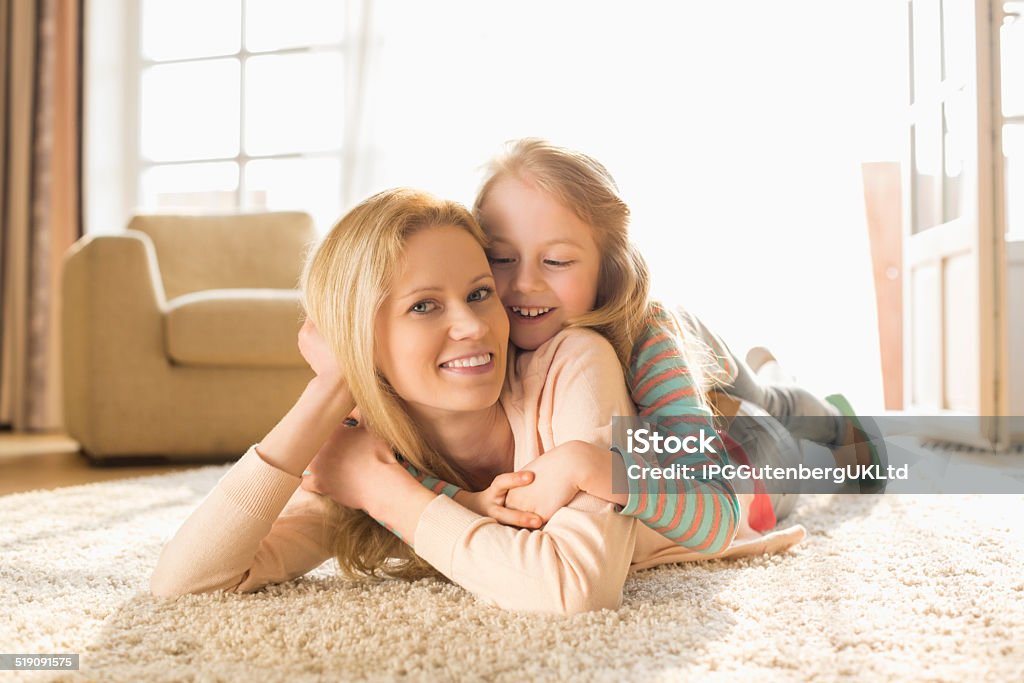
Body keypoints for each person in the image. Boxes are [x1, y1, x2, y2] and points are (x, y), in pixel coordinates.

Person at [150, 188, 805, 615]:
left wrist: (386, 494)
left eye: (478, 293)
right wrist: (325, 396)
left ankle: (766, 374)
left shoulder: (576, 361)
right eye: (425, 305)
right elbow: (187, 582)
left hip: (730, 458)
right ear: (359, 343)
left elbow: (573, 588)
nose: (473, 326)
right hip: (664, 446)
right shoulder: (363, 453)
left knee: (807, 436)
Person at [383, 138, 886, 541]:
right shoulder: (470, 339)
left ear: (607, 269)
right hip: (681, 430)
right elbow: (406, 469)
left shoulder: (646, 338)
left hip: (733, 440)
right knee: (745, 403)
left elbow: (716, 508)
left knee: (771, 409)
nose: (522, 284)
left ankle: (831, 415)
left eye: (556, 261)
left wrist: (591, 467)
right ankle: (765, 371)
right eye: (500, 258)